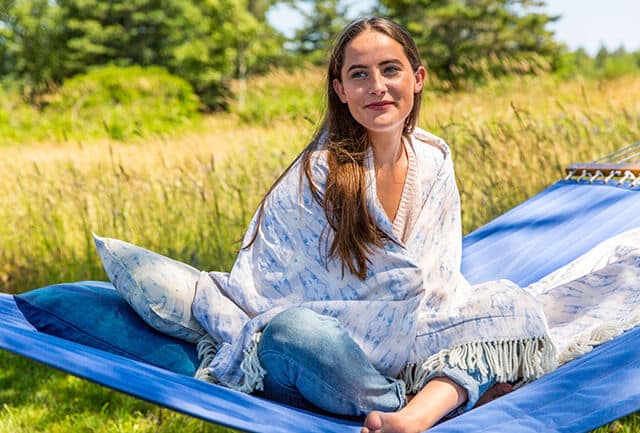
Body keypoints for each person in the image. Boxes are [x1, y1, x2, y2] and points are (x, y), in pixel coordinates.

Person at [189, 16, 559, 433]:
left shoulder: (435, 161)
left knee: (510, 305)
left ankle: (413, 415)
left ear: (417, 78)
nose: (377, 86)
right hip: (330, 360)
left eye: (390, 69)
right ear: (341, 90)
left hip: (417, 340)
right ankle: (431, 402)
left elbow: (440, 282)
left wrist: (424, 333)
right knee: (294, 333)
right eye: (359, 74)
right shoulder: (317, 175)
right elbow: (272, 290)